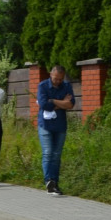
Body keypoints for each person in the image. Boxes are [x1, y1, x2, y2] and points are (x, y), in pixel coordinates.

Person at [37, 65, 74, 197]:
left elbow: (70, 104)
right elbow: (44, 105)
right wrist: (60, 103)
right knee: (48, 153)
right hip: (45, 125)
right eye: (55, 78)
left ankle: (55, 183)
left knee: (57, 155)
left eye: (60, 79)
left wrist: (52, 101)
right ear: (50, 75)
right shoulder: (42, 86)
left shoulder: (67, 86)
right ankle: (49, 181)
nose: (58, 81)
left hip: (60, 125)